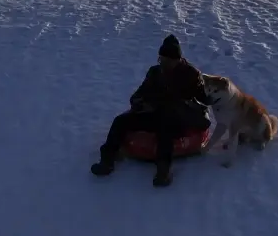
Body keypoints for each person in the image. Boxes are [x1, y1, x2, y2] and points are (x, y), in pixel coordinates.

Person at [90, 34, 211, 187]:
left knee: (165, 126)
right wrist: (139, 104)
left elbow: (202, 101)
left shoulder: (191, 75)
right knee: (120, 121)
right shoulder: (155, 72)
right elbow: (139, 93)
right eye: (161, 59)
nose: (163, 63)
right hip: (154, 113)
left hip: (178, 118)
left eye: (167, 61)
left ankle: (163, 171)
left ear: (177, 60)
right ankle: (107, 161)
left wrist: (189, 100)